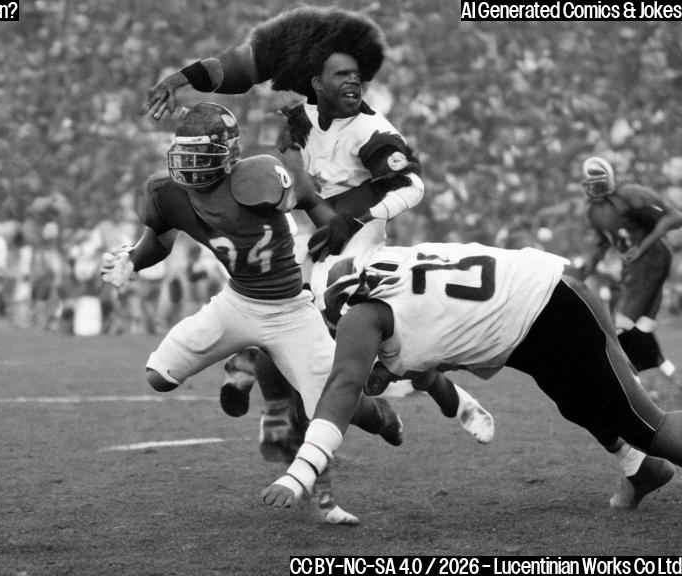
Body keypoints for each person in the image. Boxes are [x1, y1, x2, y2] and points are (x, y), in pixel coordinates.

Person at [145, 6, 493, 465]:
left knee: (382, 345)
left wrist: (352, 218)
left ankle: (453, 402)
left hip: (359, 243)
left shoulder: (373, 131)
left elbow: (412, 184)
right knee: (296, 320)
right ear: (317, 83)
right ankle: (270, 398)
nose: (355, 82)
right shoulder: (301, 117)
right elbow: (237, 70)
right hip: (317, 242)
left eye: (357, 75)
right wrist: (180, 79)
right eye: (342, 75)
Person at [101, 102, 404, 524]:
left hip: (289, 310)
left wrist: (332, 232)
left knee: (336, 406)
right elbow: (159, 242)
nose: (188, 166)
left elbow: (310, 200)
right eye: (183, 155)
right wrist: (132, 259)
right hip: (237, 302)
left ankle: (384, 417)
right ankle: (241, 357)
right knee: (159, 376)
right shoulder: (166, 193)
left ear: (228, 155)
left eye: (199, 156)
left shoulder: (259, 177)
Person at [262, 240, 679, 516]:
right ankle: (642, 470)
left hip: (552, 312)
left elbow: (343, 387)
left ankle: (644, 455)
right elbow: (431, 374)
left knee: (644, 424)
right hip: (540, 311)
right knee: (576, 404)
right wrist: (458, 406)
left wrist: (302, 470)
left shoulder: (363, 314)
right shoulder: (403, 277)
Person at [575, 156, 682, 392]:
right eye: (591, 183)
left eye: (600, 182)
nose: (595, 188)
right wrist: (580, 275)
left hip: (652, 256)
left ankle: (635, 386)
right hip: (632, 266)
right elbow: (602, 244)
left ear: (610, 179)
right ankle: (662, 375)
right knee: (638, 327)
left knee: (622, 324)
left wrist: (643, 246)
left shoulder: (631, 194)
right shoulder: (593, 211)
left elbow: (675, 217)